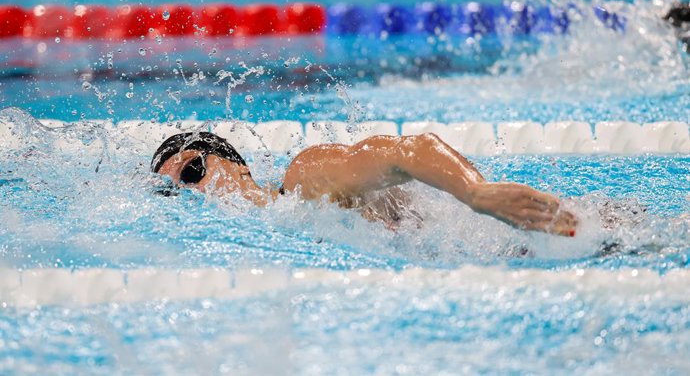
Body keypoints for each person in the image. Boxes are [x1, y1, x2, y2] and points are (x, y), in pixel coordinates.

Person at [151, 131, 578, 237]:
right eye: (174, 190)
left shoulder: (303, 181)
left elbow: (406, 152)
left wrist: (475, 192)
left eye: (191, 171)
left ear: (239, 167)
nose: (191, 190)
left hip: (530, 228)